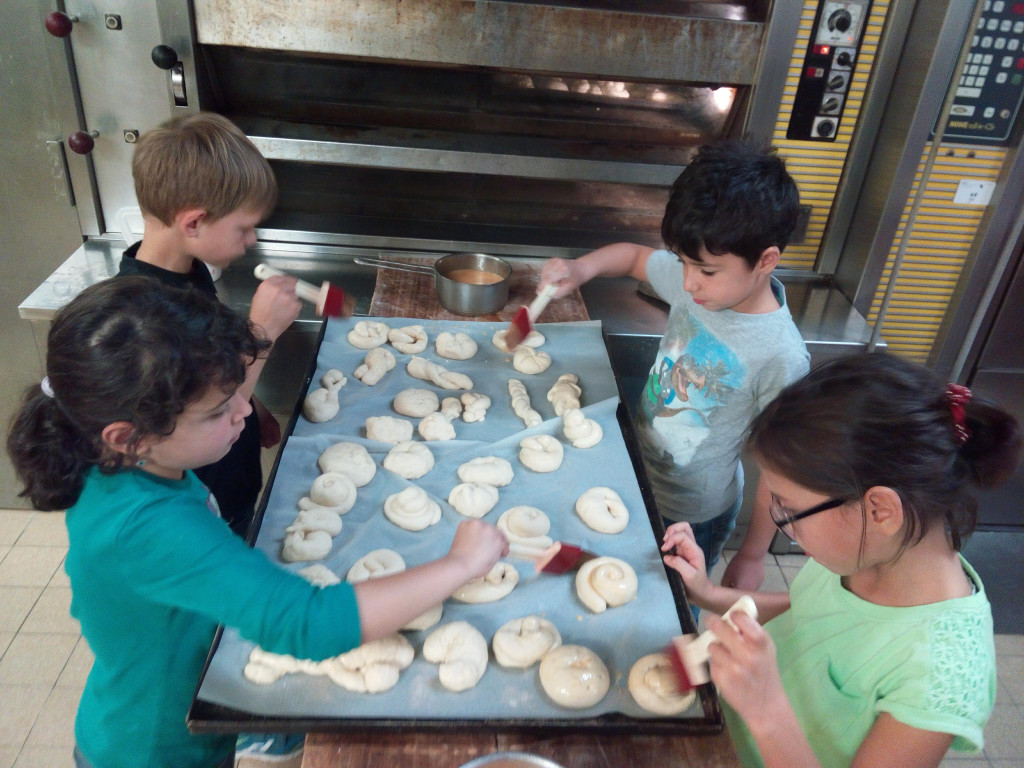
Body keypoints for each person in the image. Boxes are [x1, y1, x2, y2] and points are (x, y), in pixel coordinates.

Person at [6, 277, 508, 768]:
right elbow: (310, 624)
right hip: (159, 748)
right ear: (129, 436)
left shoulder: (118, 459)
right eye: (219, 411)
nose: (244, 410)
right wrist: (461, 564)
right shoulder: (151, 529)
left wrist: (259, 340)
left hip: (174, 704)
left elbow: (190, 419)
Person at [661, 352, 1022, 768]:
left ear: (880, 510)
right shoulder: (864, 551)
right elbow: (809, 614)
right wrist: (707, 593)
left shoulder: (941, 675)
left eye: (789, 509)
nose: (780, 522)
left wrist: (766, 711)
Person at [538, 140, 809, 588]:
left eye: (705, 271)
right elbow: (635, 257)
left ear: (765, 260)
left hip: (692, 515)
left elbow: (782, 467)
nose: (688, 282)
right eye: (683, 263)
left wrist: (752, 555)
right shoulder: (700, 282)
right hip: (636, 474)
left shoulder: (780, 354)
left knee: (675, 601)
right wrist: (581, 269)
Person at [118, 111, 306, 537]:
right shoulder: (143, 319)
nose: (252, 240)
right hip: (207, 508)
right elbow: (203, 410)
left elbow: (215, 366)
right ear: (194, 222)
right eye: (244, 228)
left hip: (235, 477)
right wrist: (261, 335)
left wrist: (256, 411)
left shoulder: (189, 271)